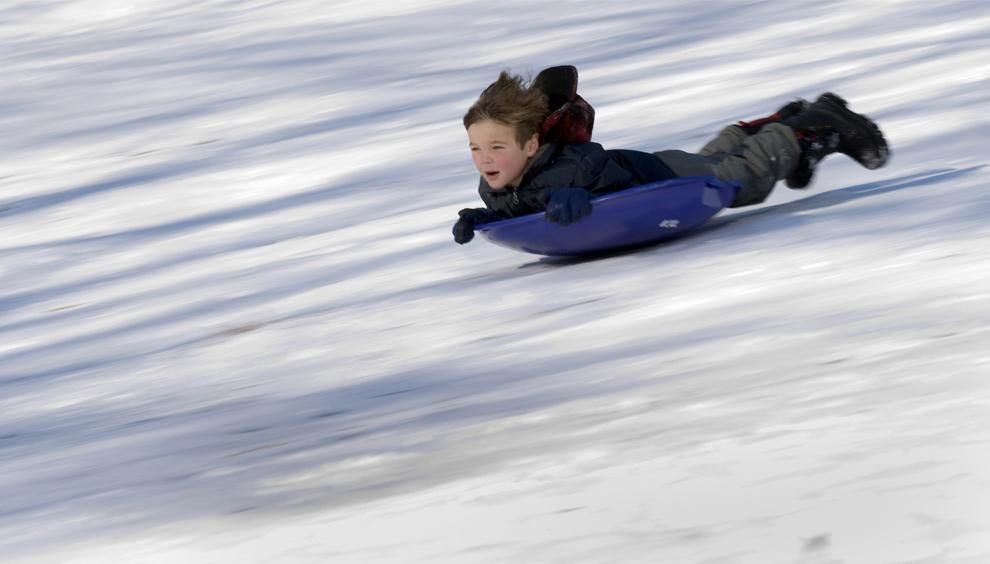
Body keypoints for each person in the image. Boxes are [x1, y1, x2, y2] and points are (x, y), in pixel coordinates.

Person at [453, 66, 889, 244]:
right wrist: (484, 217)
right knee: (720, 162)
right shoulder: (496, 180)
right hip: (664, 168)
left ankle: (818, 125)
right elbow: (521, 205)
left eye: (496, 147)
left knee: (744, 179)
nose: (485, 159)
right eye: (476, 148)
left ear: (531, 146)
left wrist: (582, 197)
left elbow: (611, 187)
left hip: (663, 178)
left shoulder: (573, 168)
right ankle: (785, 118)